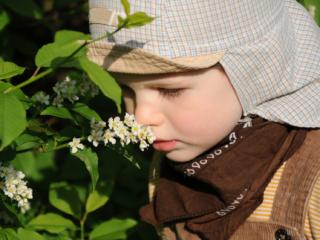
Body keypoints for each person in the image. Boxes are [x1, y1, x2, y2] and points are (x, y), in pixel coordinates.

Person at [87, 0, 320, 239]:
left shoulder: (313, 185)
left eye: (170, 91)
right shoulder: (171, 164)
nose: (140, 117)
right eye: (125, 89)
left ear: (253, 71)